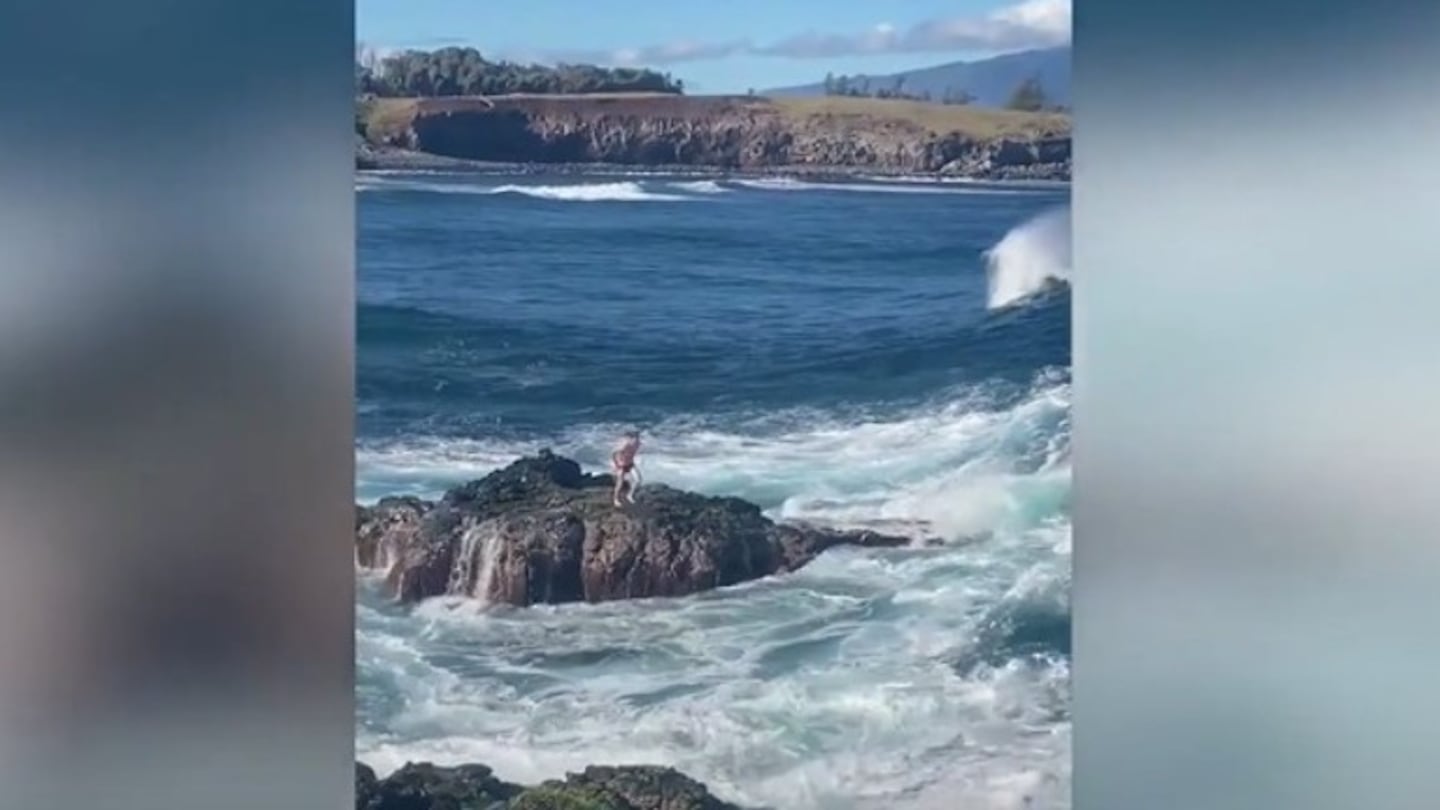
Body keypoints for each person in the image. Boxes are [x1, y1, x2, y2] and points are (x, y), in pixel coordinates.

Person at [611, 430, 642, 507]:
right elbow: (614, 453)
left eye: (638, 438)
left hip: (630, 464)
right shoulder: (625, 445)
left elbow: (632, 453)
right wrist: (616, 464)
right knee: (620, 483)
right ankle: (615, 499)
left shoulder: (638, 444)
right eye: (635, 438)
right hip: (621, 465)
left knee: (638, 480)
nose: (637, 440)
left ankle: (630, 495)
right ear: (631, 439)